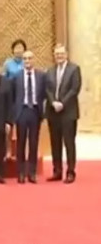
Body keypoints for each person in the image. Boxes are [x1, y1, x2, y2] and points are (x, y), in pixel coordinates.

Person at [45, 44, 82, 183]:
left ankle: (71, 172)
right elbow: (47, 89)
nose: (59, 56)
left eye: (61, 53)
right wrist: (53, 102)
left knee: (69, 143)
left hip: (68, 112)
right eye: (56, 54)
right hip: (53, 111)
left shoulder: (74, 69)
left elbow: (75, 89)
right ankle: (57, 171)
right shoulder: (50, 71)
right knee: (55, 143)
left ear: (66, 54)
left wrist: (62, 103)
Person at [12, 50, 46, 183]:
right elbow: (13, 96)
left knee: (33, 143)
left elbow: (44, 94)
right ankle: (20, 172)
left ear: (34, 60)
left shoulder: (41, 76)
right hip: (22, 111)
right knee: (20, 143)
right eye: (25, 59)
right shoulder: (17, 76)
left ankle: (32, 173)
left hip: (35, 112)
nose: (27, 61)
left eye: (30, 58)